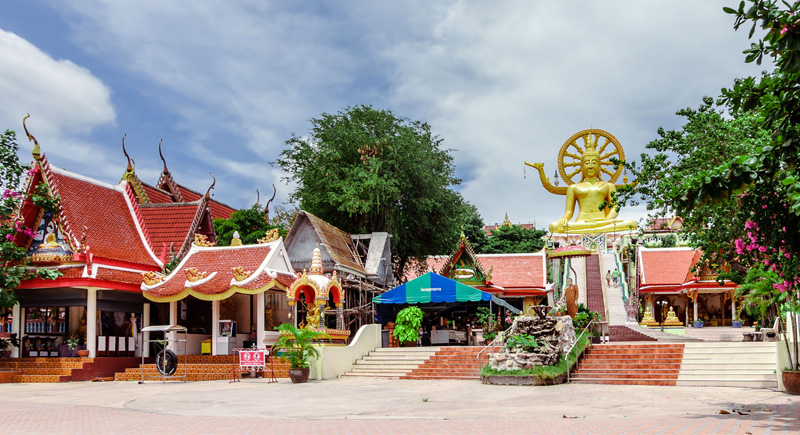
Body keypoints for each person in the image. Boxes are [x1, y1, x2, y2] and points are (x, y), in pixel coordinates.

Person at [548, 140, 637, 234]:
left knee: (632, 223)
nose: (590, 166)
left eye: (594, 163)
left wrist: (607, 220)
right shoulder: (573, 188)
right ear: (581, 167)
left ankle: (595, 229)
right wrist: (564, 219)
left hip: (603, 222)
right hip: (581, 222)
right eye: (587, 163)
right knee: (553, 226)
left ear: (599, 166)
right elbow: (569, 212)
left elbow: (615, 207)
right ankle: (595, 229)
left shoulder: (608, 186)